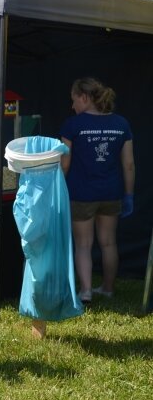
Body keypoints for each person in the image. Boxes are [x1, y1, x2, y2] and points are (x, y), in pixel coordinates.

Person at [59, 77, 135, 302]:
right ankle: (108, 289)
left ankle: (85, 291)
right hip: (111, 193)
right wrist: (129, 195)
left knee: (83, 244)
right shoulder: (121, 124)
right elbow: (129, 164)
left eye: (74, 100)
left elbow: (65, 164)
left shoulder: (72, 125)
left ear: (84, 98)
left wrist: (58, 189)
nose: (72, 106)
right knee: (109, 242)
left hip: (82, 194)